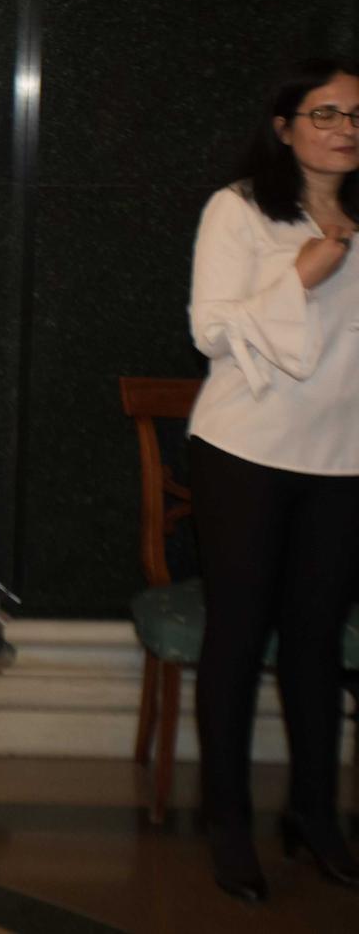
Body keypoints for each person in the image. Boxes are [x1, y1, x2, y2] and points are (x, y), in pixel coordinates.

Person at [186, 56, 359, 904]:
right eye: (325, 114)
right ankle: (226, 820)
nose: (344, 129)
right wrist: (300, 274)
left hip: (344, 458)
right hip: (245, 452)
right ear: (285, 126)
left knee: (319, 641)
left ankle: (315, 815)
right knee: (239, 634)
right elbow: (210, 331)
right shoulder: (241, 209)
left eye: (356, 116)